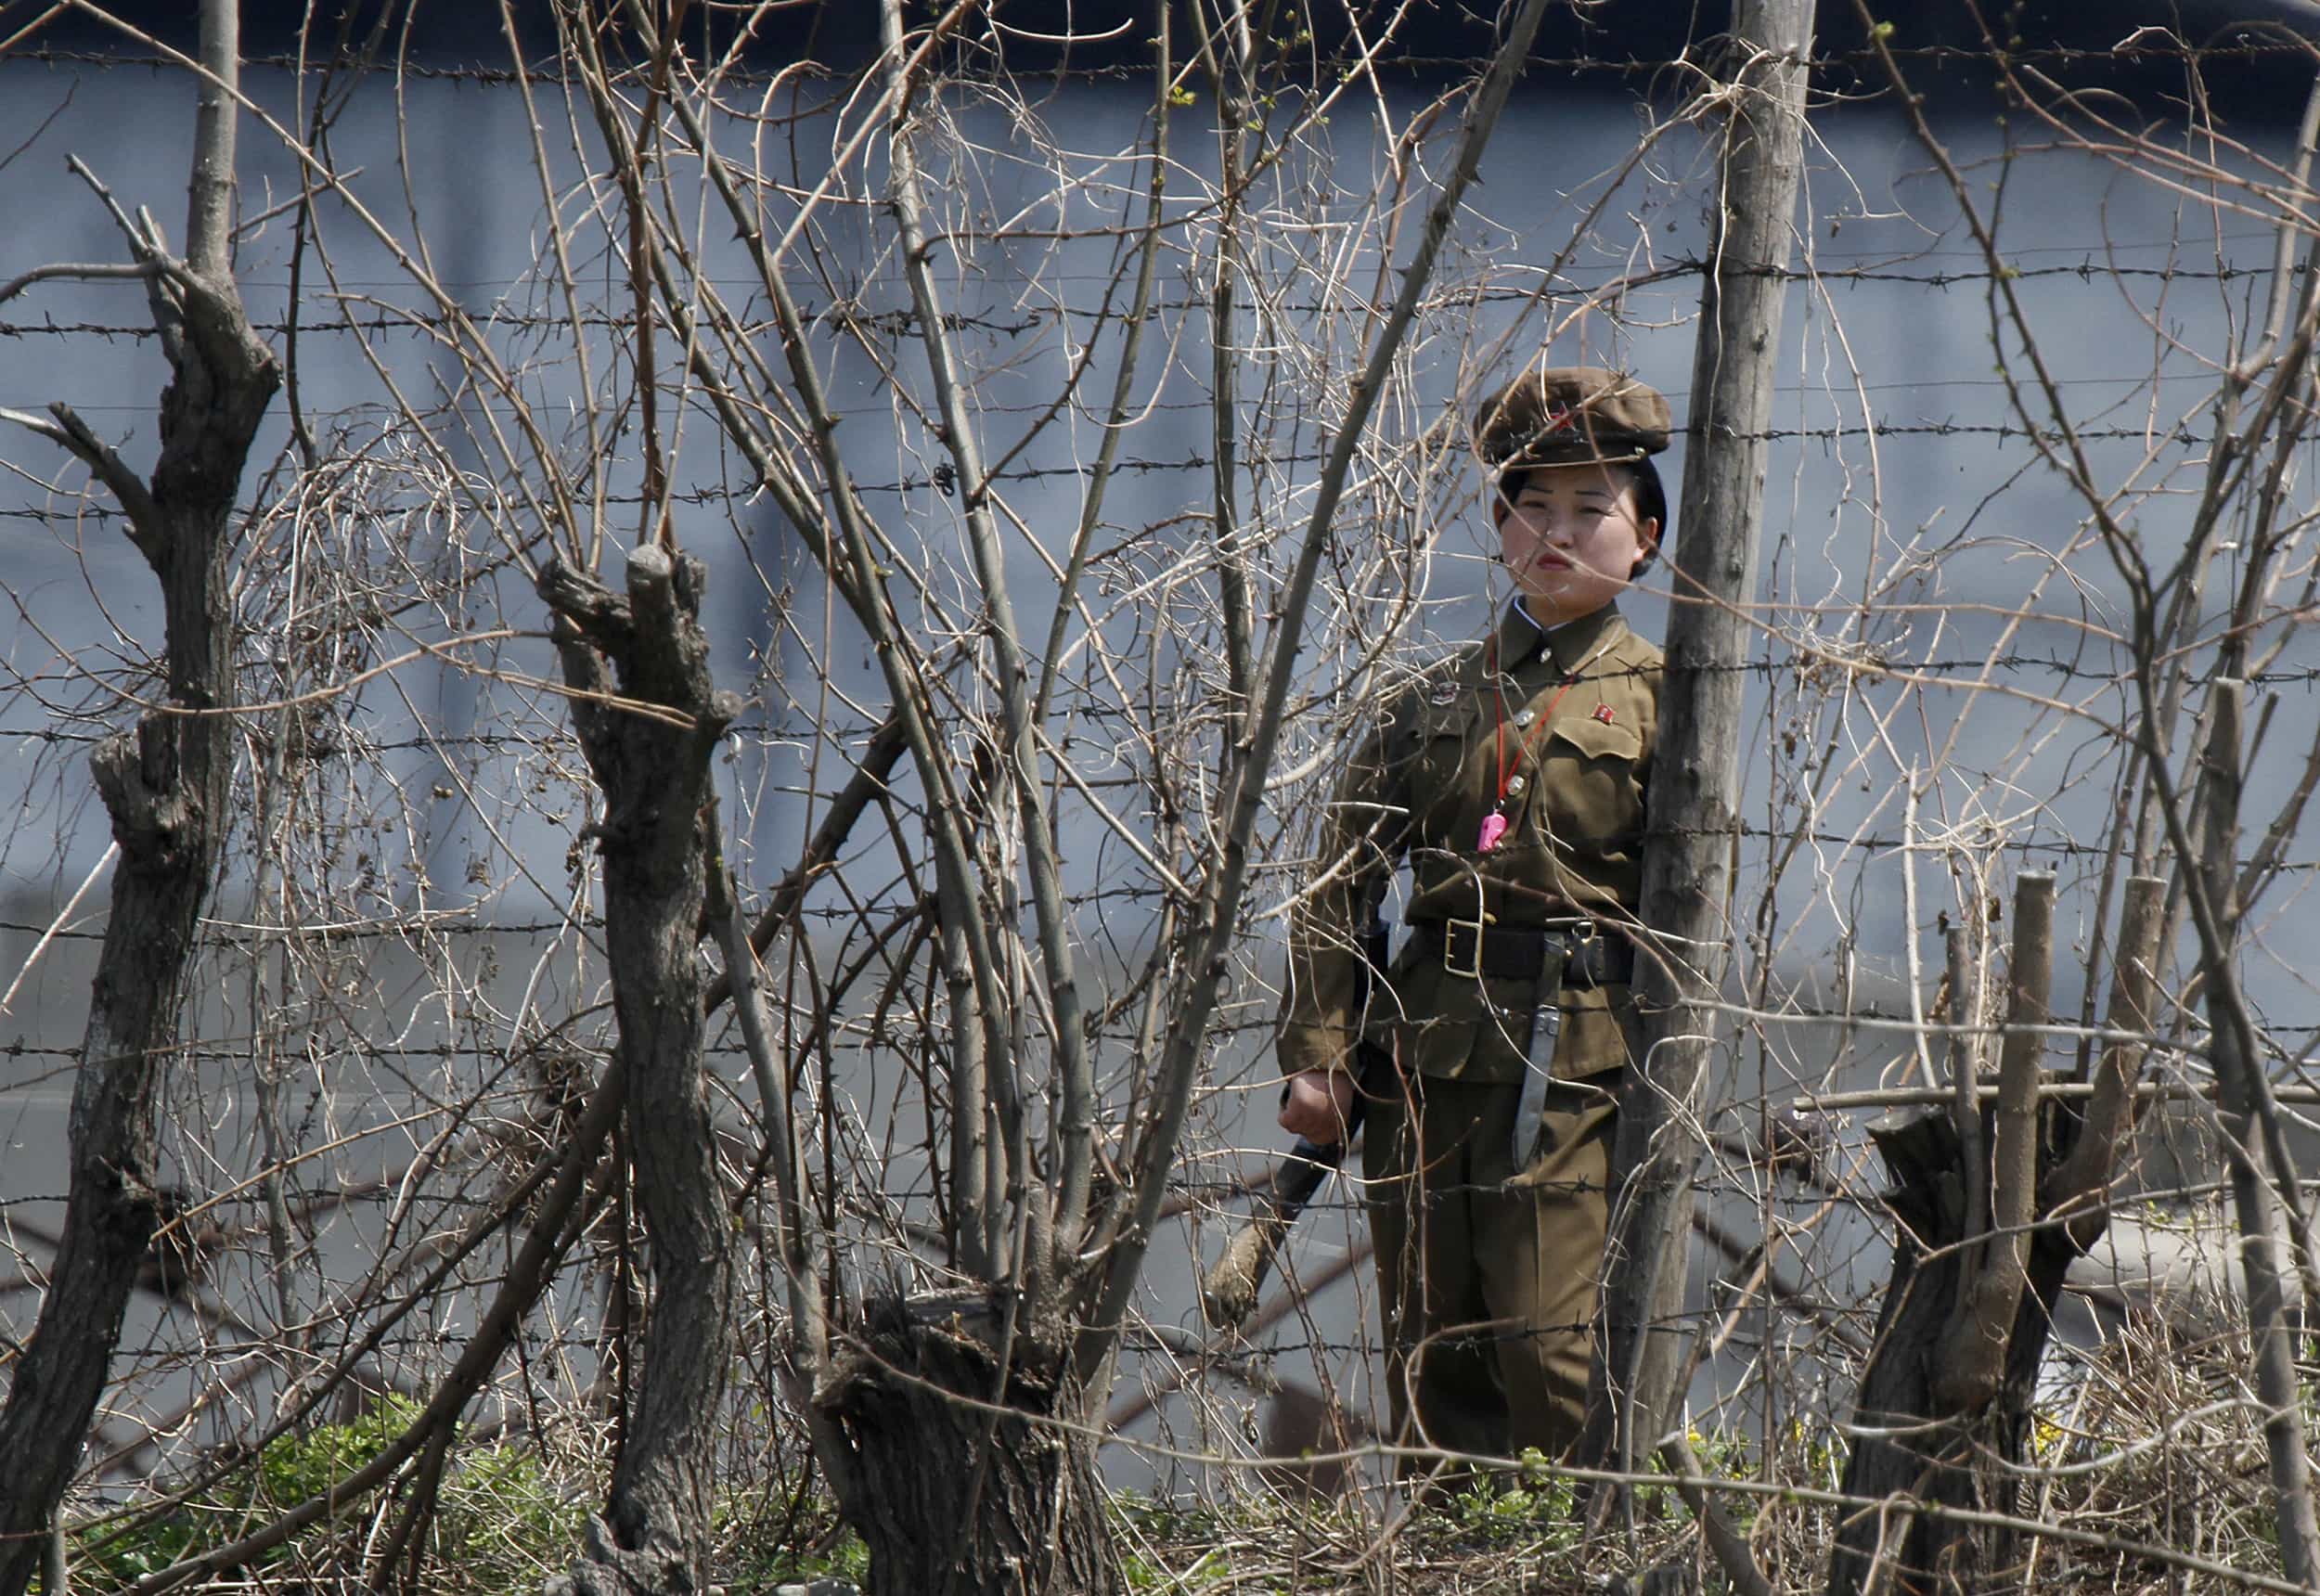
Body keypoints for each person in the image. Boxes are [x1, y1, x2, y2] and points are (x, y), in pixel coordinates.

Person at [1275, 365, 1669, 1472]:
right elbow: (1338, 878)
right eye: (1531, 507)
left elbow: (1691, 910)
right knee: (1431, 1350)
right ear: (1499, 528)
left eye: (1591, 509)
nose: (1557, 531)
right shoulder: (1434, 699)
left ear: (1641, 540)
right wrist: (1320, 1054)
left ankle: (1571, 1556)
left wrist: (1667, 1065)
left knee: (1551, 1355)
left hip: (1577, 1064)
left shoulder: (1666, 698)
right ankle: (1453, 1564)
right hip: (1421, 1059)